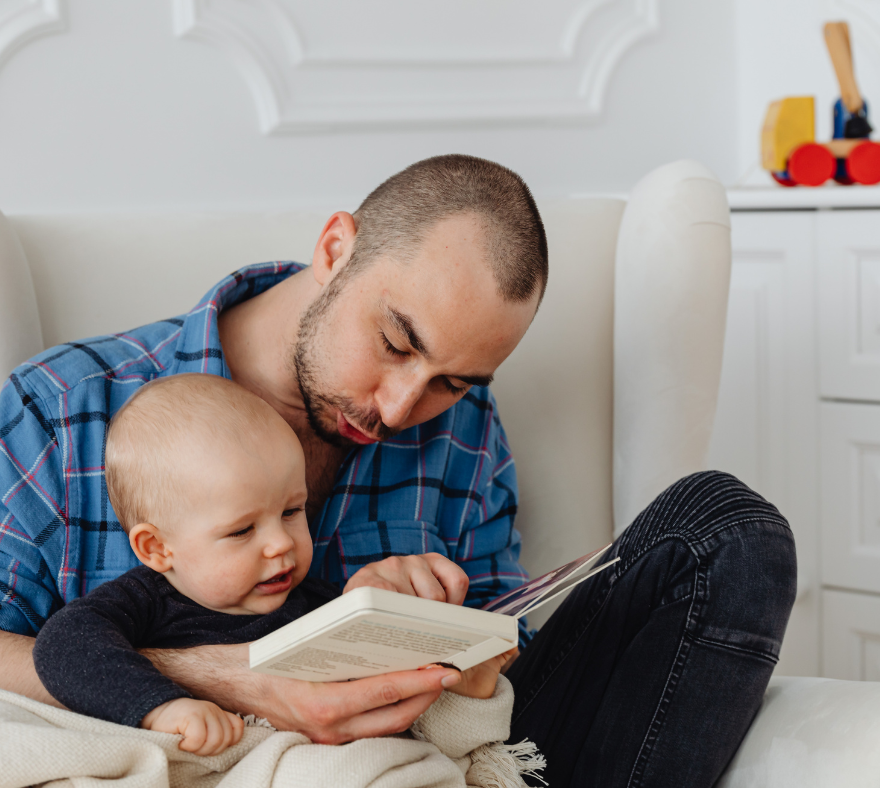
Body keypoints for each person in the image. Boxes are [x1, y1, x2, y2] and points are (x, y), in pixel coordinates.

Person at [0, 154, 796, 787]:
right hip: (213, 763)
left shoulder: (462, 427)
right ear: (334, 249)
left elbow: (497, 661)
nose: (400, 406)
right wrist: (224, 678)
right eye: (396, 341)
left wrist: (463, 637)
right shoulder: (62, 409)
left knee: (725, 528)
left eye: (454, 380)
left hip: (436, 756)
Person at [33, 374, 519, 770]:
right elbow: (62, 646)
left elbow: (409, 718)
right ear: (157, 547)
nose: (281, 543)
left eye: (291, 511)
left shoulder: (322, 605)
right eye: (242, 530)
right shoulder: (143, 601)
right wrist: (162, 706)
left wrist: (468, 685)